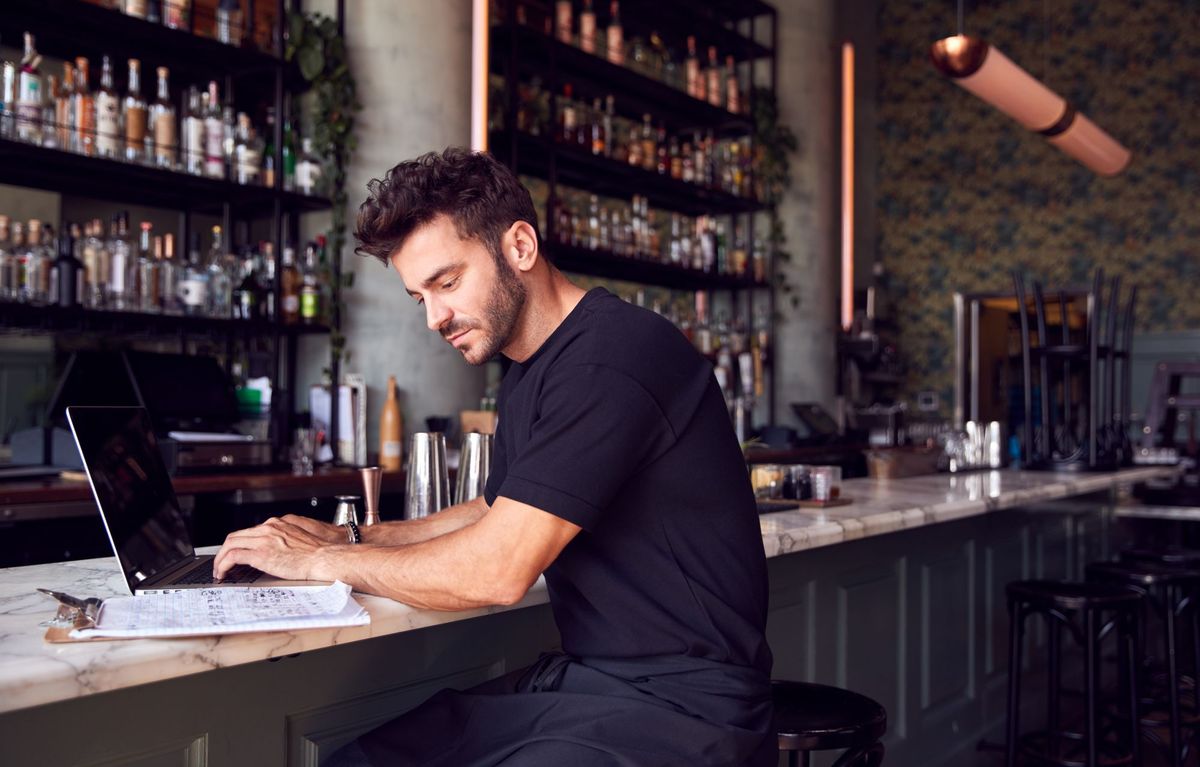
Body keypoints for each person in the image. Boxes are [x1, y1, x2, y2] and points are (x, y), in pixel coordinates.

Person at [213, 147, 774, 766]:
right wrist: (359, 537)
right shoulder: (534, 367)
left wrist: (323, 561)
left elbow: (497, 569)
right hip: (595, 685)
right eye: (419, 296)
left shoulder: (614, 355)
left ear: (520, 246)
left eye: (447, 282)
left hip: (686, 709)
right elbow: (492, 512)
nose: (434, 317)